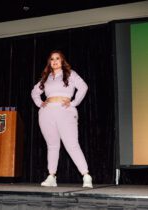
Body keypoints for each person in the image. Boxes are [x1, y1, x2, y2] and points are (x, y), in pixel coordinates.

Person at [31, 50, 93, 188]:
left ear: (62, 60)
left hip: (65, 111)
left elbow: (83, 87)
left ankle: (86, 175)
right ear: (49, 62)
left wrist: (74, 102)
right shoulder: (46, 77)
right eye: (52, 59)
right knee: (52, 145)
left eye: (57, 58)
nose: (54, 61)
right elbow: (35, 92)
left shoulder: (70, 74)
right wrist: (39, 103)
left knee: (71, 144)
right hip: (47, 112)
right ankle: (51, 176)